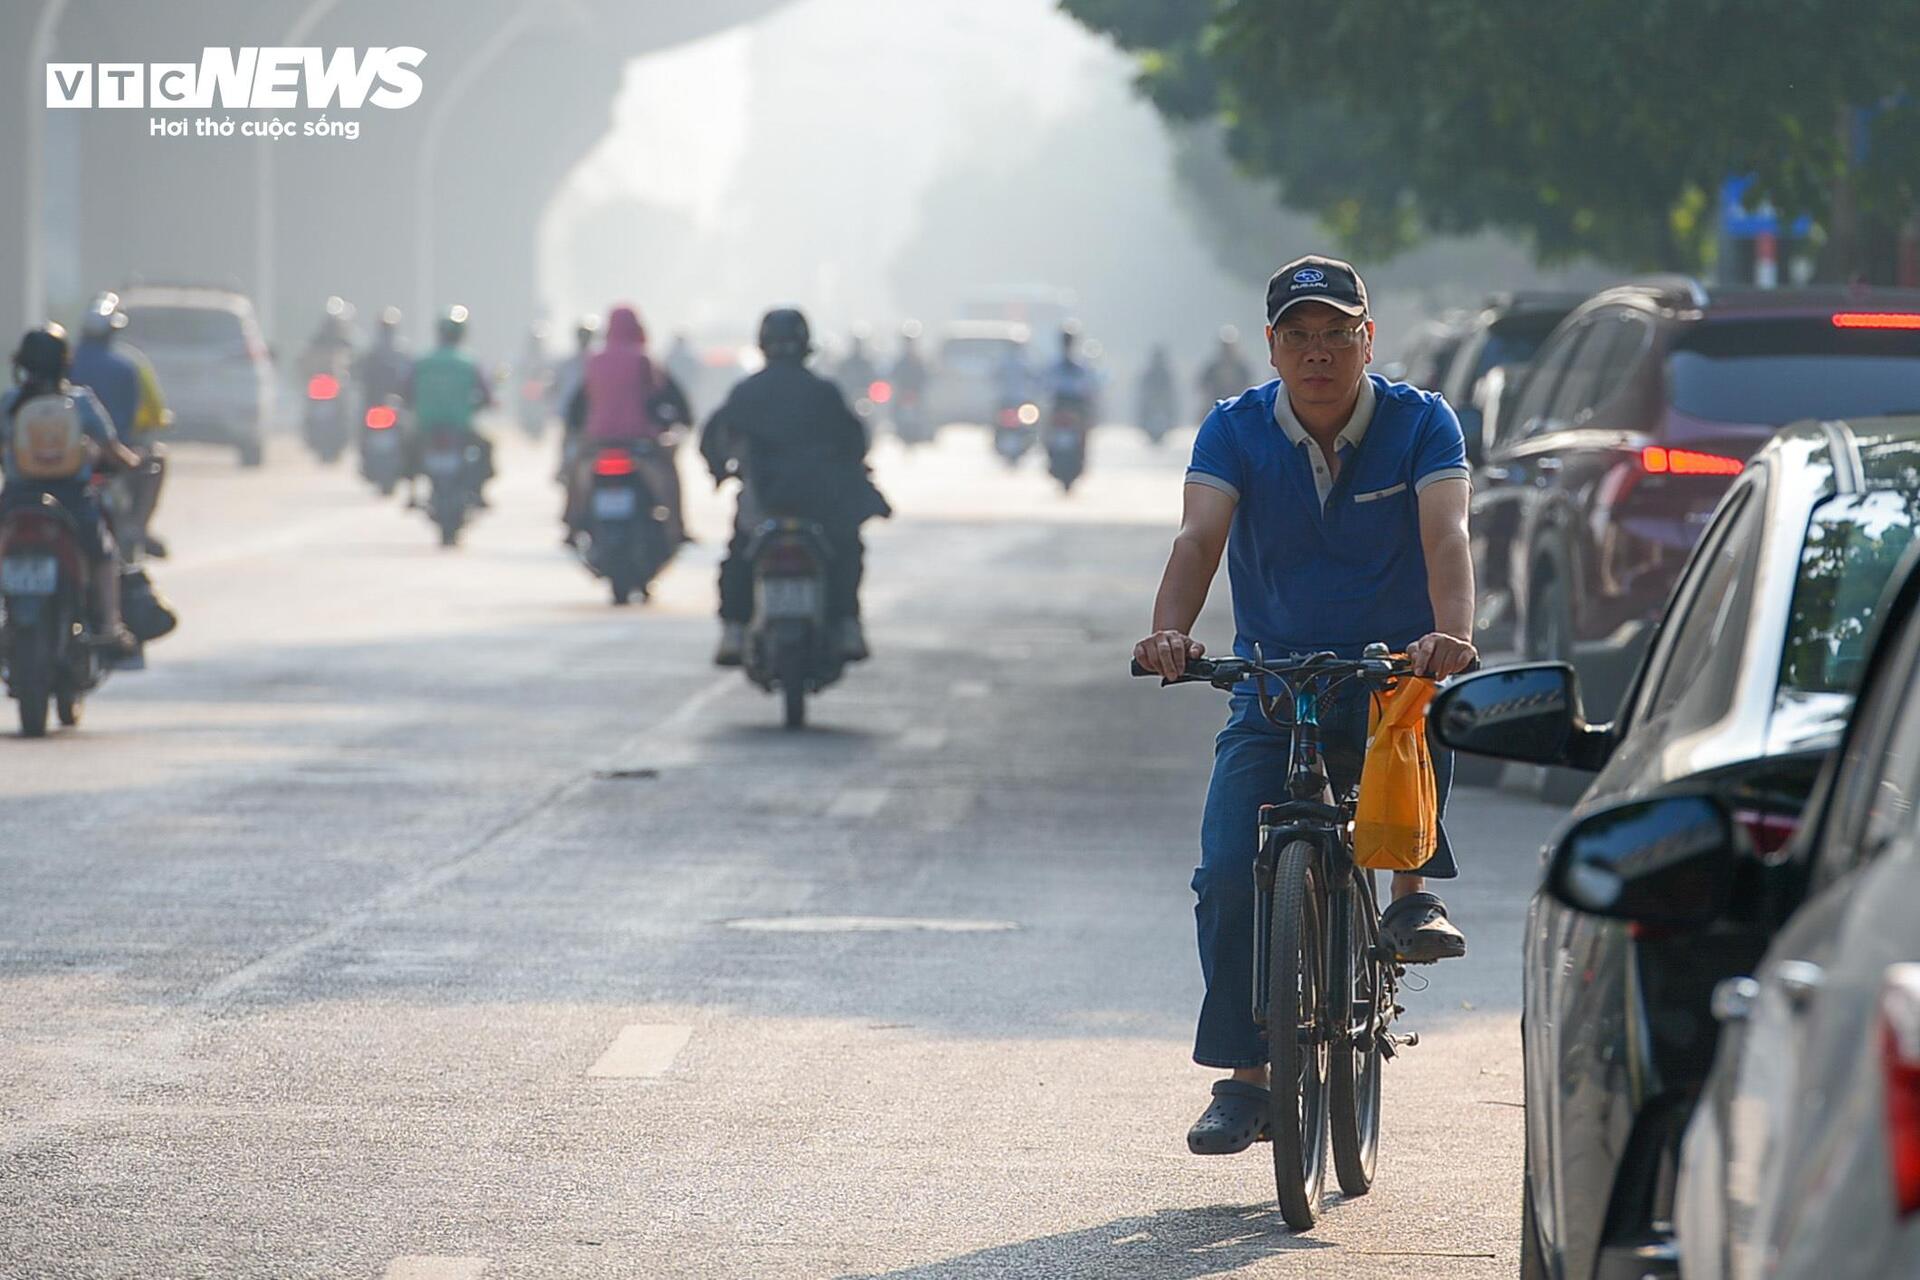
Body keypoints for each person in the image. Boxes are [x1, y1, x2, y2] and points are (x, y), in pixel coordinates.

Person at [1131, 255, 1476, 1156]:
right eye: (1300, 337)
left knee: (1414, 714)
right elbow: (1198, 535)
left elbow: (1447, 531)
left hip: (1388, 675)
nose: (1318, 353)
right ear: (1273, 347)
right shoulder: (1234, 428)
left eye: (1336, 335)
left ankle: (1409, 898)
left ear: (1368, 340)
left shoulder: (1421, 422)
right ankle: (1247, 1080)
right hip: (1273, 683)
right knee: (1223, 873)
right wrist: (1170, 631)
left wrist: (1451, 633)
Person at [700, 307, 888, 666]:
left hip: (764, 502)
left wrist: (721, 471)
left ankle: (734, 629)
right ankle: (847, 622)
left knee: (740, 553)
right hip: (820, 504)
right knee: (846, 550)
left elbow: (713, 438)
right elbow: (855, 442)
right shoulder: (824, 392)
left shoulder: (746, 392)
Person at [1, 325, 143, 653]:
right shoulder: (80, 402)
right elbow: (112, 450)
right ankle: (110, 626)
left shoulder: (9, 402)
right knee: (104, 554)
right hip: (71, 498)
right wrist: (135, 463)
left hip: (18, 498)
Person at [562, 305, 692, 543]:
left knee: (574, 471)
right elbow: (660, 394)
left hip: (598, 438)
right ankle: (677, 528)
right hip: (639, 437)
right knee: (669, 473)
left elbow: (579, 402)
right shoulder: (643, 359)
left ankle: (571, 529)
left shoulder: (595, 361)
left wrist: (576, 429)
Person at [69, 292, 172, 558]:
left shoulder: (66, 363)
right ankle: (137, 527)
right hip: (117, 455)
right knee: (156, 458)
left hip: (69, 455)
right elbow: (143, 419)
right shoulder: (129, 367)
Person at [404, 306, 493, 501]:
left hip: (427, 425)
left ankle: (411, 494)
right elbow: (486, 394)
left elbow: (406, 391)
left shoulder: (422, 361)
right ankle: (479, 493)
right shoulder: (469, 362)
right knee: (486, 447)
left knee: (408, 448)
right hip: (460, 427)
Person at [1196, 324, 1254, 416]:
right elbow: (1202, 384)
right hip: (1214, 405)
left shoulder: (1242, 368)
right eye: (1225, 347)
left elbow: (1249, 386)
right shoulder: (1213, 368)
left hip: (1239, 406)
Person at [1136, 343, 1176, 440]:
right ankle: (1142, 423)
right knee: (1143, 408)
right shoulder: (1149, 372)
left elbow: (1171, 388)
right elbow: (1143, 385)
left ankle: (1172, 422)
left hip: (1163, 398)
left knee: (1171, 408)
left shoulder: (1166, 372)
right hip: (1151, 398)